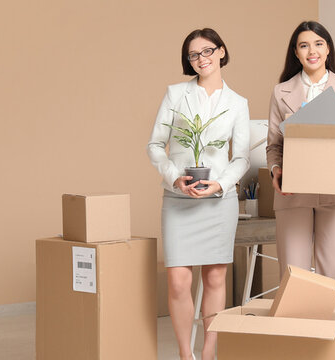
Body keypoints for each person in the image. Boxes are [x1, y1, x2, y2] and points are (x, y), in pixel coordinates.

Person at [147, 28, 249, 360]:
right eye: (193, 55)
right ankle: (184, 354)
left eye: (207, 51)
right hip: (179, 200)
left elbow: (241, 157)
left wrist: (220, 184)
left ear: (221, 51)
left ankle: (208, 353)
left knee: (216, 279)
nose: (201, 59)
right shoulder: (176, 94)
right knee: (178, 281)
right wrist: (176, 178)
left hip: (219, 201)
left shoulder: (237, 103)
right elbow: (154, 146)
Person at [266, 21, 335, 300]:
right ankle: (297, 340)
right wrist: (275, 170)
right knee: (292, 276)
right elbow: (273, 145)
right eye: (304, 45)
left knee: (333, 277)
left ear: (328, 49)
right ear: (296, 53)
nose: (312, 51)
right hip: (293, 192)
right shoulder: (281, 92)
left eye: (318, 43)